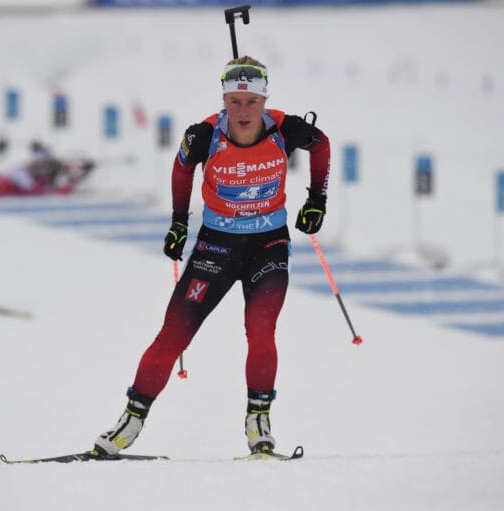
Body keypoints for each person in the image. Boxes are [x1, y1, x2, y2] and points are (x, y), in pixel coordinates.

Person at [92, 56, 331, 457]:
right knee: (172, 334)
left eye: (251, 102)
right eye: (234, 102)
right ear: (224, 100)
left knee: (260, 330)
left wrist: (317, 200)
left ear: (263, 99)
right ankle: (129, 423)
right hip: (216, 246)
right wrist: (178, 223)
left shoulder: (285, 128)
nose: (243, 111)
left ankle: (259, 421)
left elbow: (321, 144)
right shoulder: (204, 135)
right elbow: (181, 169)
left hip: (267, 246)